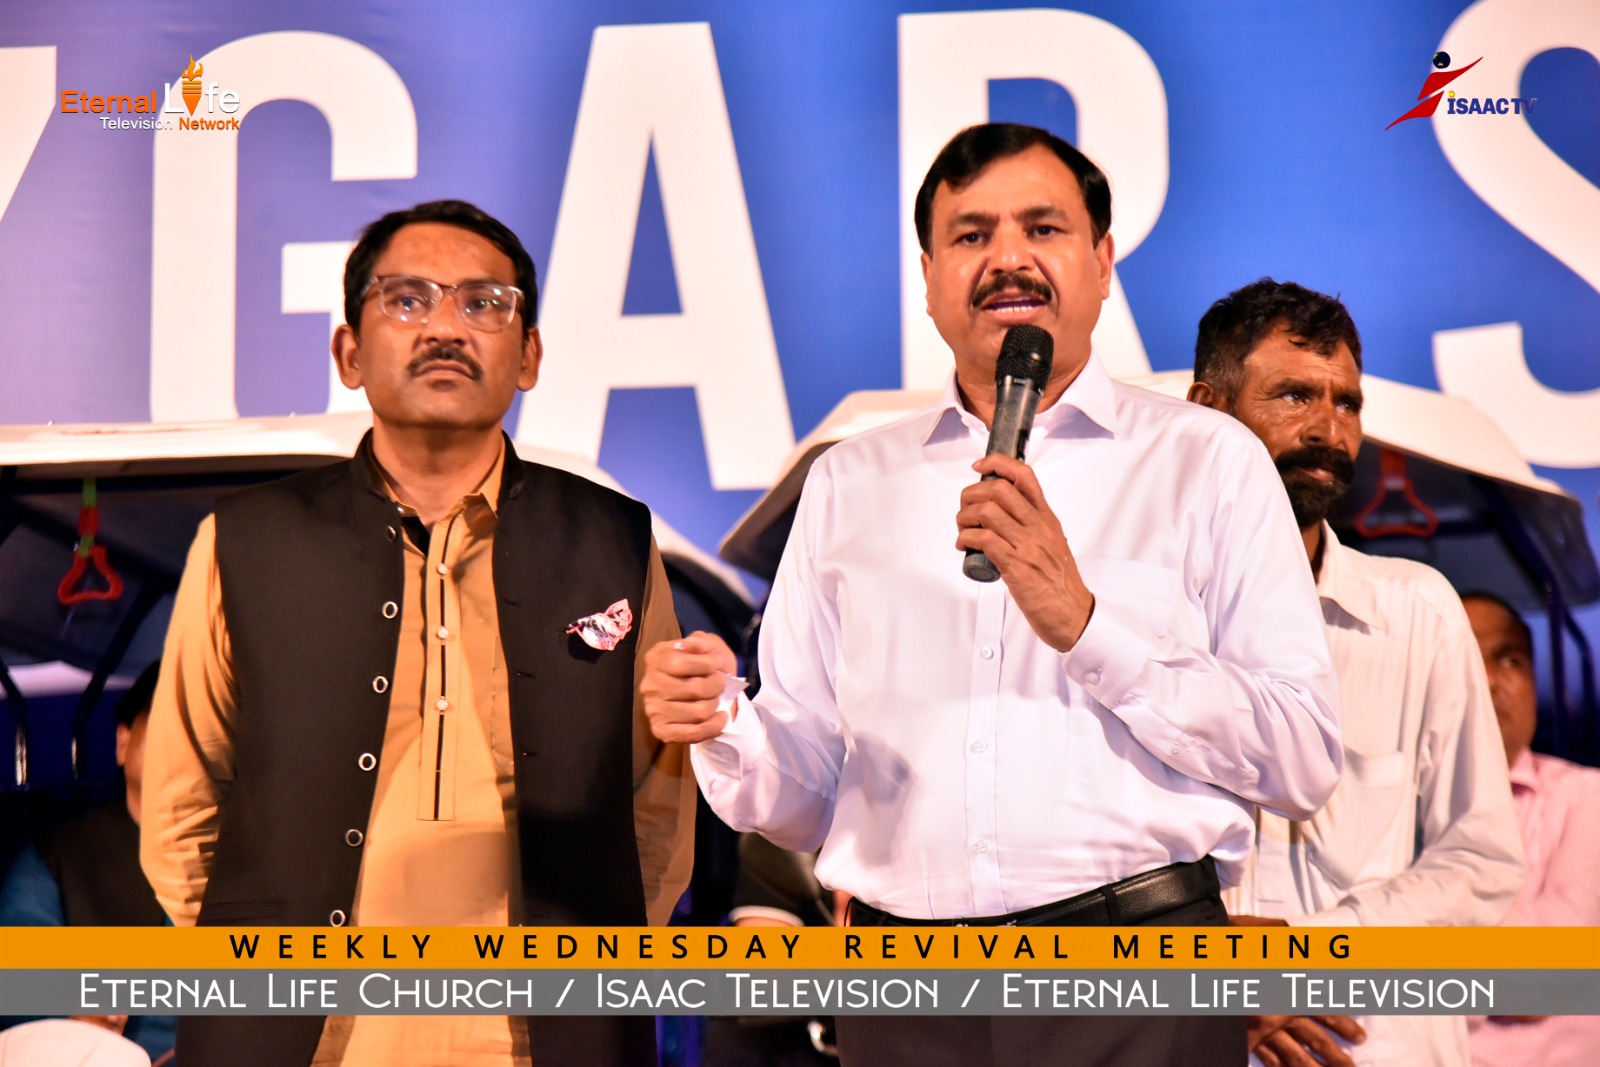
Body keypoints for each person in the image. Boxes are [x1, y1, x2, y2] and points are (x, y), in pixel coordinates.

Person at [643, 123, 1342, 1067]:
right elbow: (807, 797)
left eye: (1042, 228)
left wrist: (1086, 626)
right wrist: (725, 721)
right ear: (929, 277)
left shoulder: (1207, 459)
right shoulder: (850, 480)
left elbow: (1301, 757)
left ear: (1102, 260)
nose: (1007, 258)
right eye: (971, 235)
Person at [140, 200, 695, 1067]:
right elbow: (181, 804)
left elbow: (658, 807)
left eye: (483, 303)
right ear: (349, 353)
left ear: (530, 354)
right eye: (406, 299)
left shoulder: (613, 541)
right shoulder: (247, 542)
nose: (444, 327)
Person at [1188, 279, 1524, 1067]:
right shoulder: (1130, 626)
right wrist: (1205, 966)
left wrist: (1304, 957)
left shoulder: (1416, 614)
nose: (1328, 428)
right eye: (1294, 395)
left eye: (1347, 402)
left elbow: (1482, 861)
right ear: (1207, 409)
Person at [0, 663, 175, 1065]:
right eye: (168, 724)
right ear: (123, 742)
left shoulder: (251, 859)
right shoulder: (58, 857)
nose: (183, 748)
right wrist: (72, 1017)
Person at [1461, 592, 1600, 1067]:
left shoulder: (1587, 797)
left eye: (1509, 660)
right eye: (1464, 657)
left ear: (1533, 685)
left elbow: (1537, 978)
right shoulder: (1391, 805)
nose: (1488, 679)